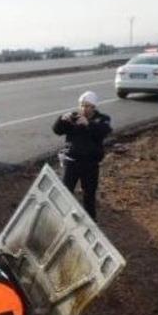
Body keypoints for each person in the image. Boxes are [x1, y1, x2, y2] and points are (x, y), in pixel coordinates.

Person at [52, 90, 112, 219]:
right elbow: (57, 130)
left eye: (88, 106)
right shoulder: (74, 118)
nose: (85, 109)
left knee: (89, 195)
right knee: (66, 192)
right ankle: (63, 219)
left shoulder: (102, 119)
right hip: (72, 162)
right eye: (83, 105)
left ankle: (91, 220)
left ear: (94, 107)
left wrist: (88, 124)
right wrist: (62, 120)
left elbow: (104, 132)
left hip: (90, 164)